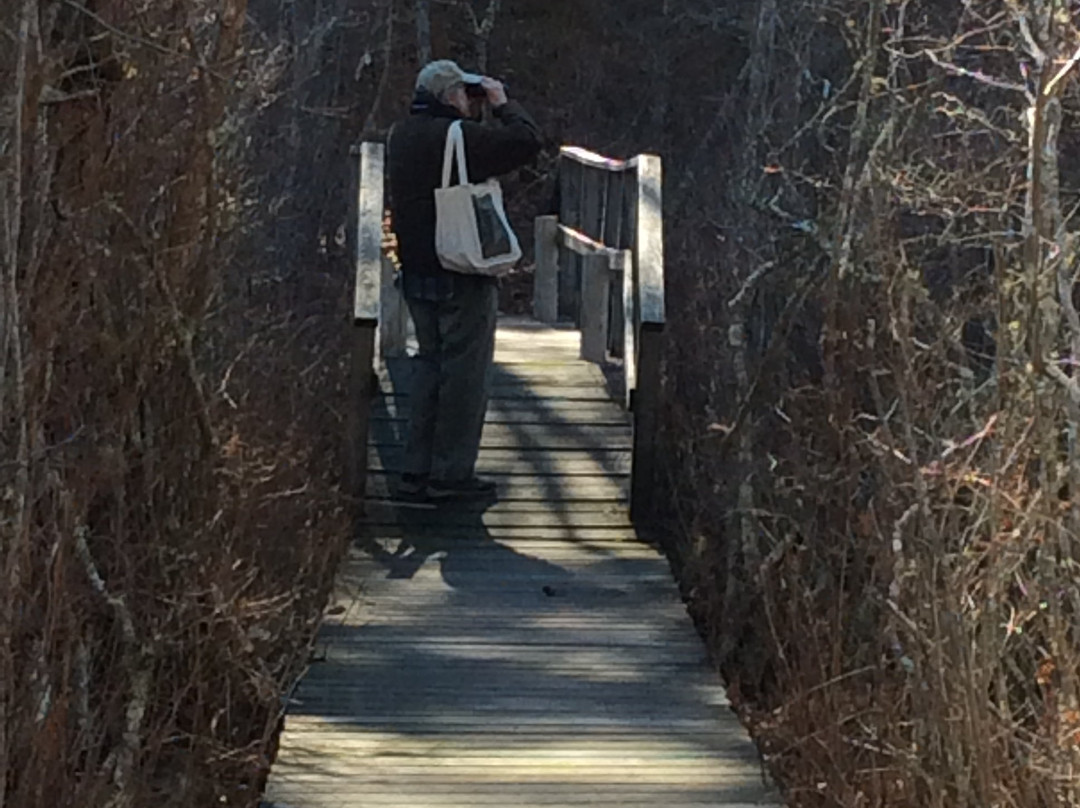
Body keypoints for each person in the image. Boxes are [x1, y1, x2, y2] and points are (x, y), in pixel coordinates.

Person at [387, 60, 543, 503]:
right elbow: (526, 142)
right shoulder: (457, 137)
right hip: (459, 269)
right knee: (464, 376)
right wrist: (502, 103)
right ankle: (451, 474)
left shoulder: (400, 135)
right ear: (450, 96)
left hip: (416, 269)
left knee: (429, 369)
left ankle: (415, 468)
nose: (469, 102)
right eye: (464, 94)